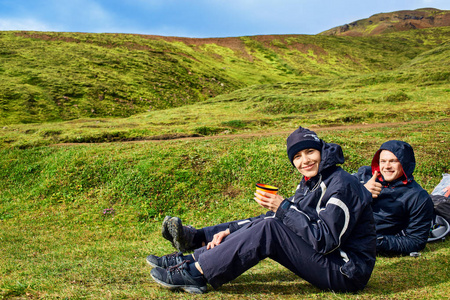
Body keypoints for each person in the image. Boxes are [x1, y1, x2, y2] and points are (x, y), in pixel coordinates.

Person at [146, 126, 377, 294]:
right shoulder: (310, 183)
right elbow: (280, 219)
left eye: (309, 152)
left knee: (271, 227)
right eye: (297, 156)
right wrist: (231, 233)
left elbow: (326, 240)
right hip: (330, 259)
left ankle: (196, 274)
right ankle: (193, 258)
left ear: (321, 151)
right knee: (268, 221)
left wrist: (283, 207)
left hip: (346, 270)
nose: (304, 160)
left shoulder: (343, 185)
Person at [355, 140, 434, 255]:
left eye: (393, 161)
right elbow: (334, 203)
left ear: (404, 163)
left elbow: (416, 241)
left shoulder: (418, 197)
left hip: (368, 240)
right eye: (383, 161)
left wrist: (377, 242)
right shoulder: (364, 177)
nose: (387, 166)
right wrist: (361, 192)